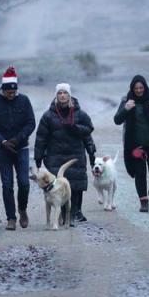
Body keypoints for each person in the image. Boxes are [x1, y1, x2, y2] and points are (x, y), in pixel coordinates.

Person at [34, 83, 95, 225]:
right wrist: (38, 156)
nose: (62, 95)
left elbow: (88, 130)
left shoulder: (80, 113)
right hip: (55, 155)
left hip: (76, 153)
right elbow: (41, 137)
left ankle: (75, 213)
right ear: (56, 95)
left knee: (76, 184)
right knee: (58, 185)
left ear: (69, 95)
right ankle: (63, 214)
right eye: (60, 93)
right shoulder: (48, 116)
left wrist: (76, 129)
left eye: (65, 93)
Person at [0, 66, 36, 231]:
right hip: (2, 149)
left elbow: (30, 123)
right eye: (8, 92)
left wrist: (17, 138)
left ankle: (22, 209)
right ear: (3, 90)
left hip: (21, 147)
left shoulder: (24, 100)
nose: (11, 95)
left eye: (14, 92)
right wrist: (2, 141)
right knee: (7, 184)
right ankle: (11, 218)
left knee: (24, 183)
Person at [113, 75, 149, 212]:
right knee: (140, 173)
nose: (139, 90)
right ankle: (143, 201)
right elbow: (117, 120)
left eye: (141, 88)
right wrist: (125, 108)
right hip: (135, 144)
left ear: (145, 87)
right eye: (136, 88)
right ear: (132, 88)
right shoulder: (126, 100)